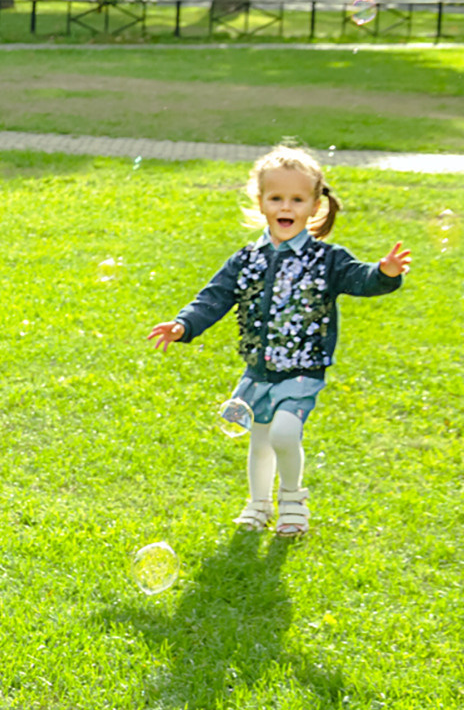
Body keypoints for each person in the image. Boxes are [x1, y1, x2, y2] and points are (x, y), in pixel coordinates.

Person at [149, 144, 411, 536]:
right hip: (258, 371)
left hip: (302, 370)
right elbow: (214, 297)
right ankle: (258, 505)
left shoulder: (327, 259)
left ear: (314, 206)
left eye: (296, 199)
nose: (285, 206)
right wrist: (184, 325)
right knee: (260, 440)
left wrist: (385, 273)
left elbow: (361, 279)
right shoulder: (246, 259)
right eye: (276, 198)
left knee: (285, 433)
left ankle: (292, 502)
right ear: (261, 202)